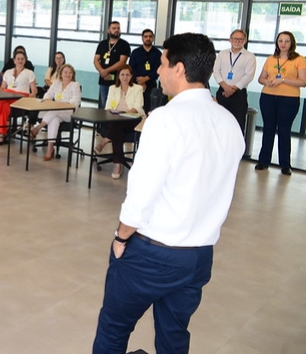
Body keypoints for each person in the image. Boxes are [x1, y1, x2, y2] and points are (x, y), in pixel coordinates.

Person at [92, 33, 244, 354]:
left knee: (114, 327)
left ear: (178, 68)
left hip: (153, 253)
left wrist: (121, 237)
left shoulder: (165, 119)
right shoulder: (229, 123)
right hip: (198, 257)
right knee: (174, 334)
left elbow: (142, 193)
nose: (158, 71)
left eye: (162, 64)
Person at [255, 31, 306, 175]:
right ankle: (263, 161)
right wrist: (267, 81)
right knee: (268, 129)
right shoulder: (271, 59)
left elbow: (303, 82)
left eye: (286, 41)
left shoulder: (299, 60)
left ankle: (285, 164)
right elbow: (261, 79)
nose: (283, 44)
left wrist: (282, 80)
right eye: (280, 41)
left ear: (292, 43)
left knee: (284, 131)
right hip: (268, 97)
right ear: (277, 43)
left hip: (289, 99)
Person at [94, 65, 144, 179]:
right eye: (122, 75)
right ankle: (118, 164)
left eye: (127, 75)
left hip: (133, 119)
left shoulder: (137, 88)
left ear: (131, 76)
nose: (125, 77)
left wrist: (125, 114)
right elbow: (107, 106)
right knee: (118, 130)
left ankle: (105, 141)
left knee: (118, 125)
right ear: (118, 76)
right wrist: (115, 113)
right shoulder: (113, 88)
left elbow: (137, 106)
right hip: (115, 119)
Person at [0, 50, 37, 145]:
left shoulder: (29, 73)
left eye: (22, 59)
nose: (20, 61)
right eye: (18, 59)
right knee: (3, 106)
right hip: (7, 98)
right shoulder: (8, 72)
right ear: (14, 60)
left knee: (7, 91)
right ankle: (1, 135)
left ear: (25, 60)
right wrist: (0, 92)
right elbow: (2, 87)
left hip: (22, 98)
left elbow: (34, 90)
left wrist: (32, 97)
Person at [30, 64, 82, 160]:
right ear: (61, 73)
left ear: (73, 75)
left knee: (56, 111)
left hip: (69, 113)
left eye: (70, 73)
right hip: (57, 112)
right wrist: (48, 99)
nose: (68, 74)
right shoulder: (56, 83)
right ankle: (50, 147)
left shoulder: (75, 85)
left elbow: (76, 101)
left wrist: (65, 104)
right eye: (65, 72)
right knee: (55, 120)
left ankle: (38, 127)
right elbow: (48, 94)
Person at [212, 29, 256, 135]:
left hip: (239, 94)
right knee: (219, 123)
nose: (237, 41)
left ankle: (237, 151)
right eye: (235, 39)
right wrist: (225, 86)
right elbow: (216, 71)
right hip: (222, 92)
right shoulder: (222, 54)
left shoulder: (250, 56)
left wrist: (233, 89)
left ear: (245, 41)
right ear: (230, 40)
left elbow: (249, 75)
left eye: (241, 39)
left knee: (238, 124)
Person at [94, 21, 131, 110]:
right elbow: (96, 60)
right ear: (108, 30)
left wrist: (106, 71)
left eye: (118, 28)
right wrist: (102, 71)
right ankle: (103, 124)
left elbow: (122, 62)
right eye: (114, 28)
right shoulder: (102, 44)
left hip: (117, 80)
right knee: (104, 104)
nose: (116, 30)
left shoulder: (124, 44)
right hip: (103, 80)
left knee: (116, 104)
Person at [129, 29, 163, 113]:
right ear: (142, 38)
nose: (148, 38)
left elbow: (158, 70)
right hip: (135, 84)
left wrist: (146, 79)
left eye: (150, 36)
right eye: (146, 36)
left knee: (149, 108)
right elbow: (131, 67)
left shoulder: (158, 53)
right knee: (135, 108)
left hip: (151, 85)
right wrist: (140, 80)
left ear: (153, 38)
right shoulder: (135, 52)